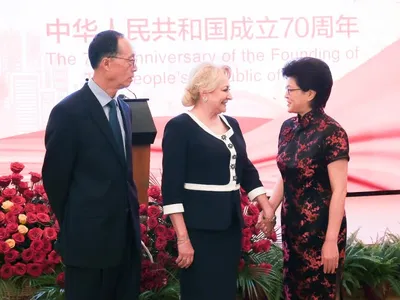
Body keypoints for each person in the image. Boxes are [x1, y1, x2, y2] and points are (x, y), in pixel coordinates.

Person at [161, 63, 275, 300]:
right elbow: (171, 188)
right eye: (224, 90)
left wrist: (266, 205)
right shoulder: (180, 127)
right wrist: (183, 239)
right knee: (200, 292)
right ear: (205, 92)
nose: (229, 95)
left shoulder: (231, 123)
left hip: (230, 228)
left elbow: (245, 168)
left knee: (224, 291)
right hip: (198, 231)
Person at [42, 30, 141, 300]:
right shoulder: (69, 112)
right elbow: (55, 180)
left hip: (125, 243)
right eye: (130, 61)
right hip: (88, 245)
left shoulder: (125, 109)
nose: (135, 68)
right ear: (106, 63)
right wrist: (79, 225)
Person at [267, 57, 349, 299]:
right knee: (292, 292)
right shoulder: (287, 128)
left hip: (321, 233)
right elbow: (287, 174)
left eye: (290, 89)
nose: (286, 94)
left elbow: (339, 190)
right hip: (291, 229)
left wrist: (331, 241)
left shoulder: (332, 132)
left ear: (311, 93)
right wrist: (270, 208)